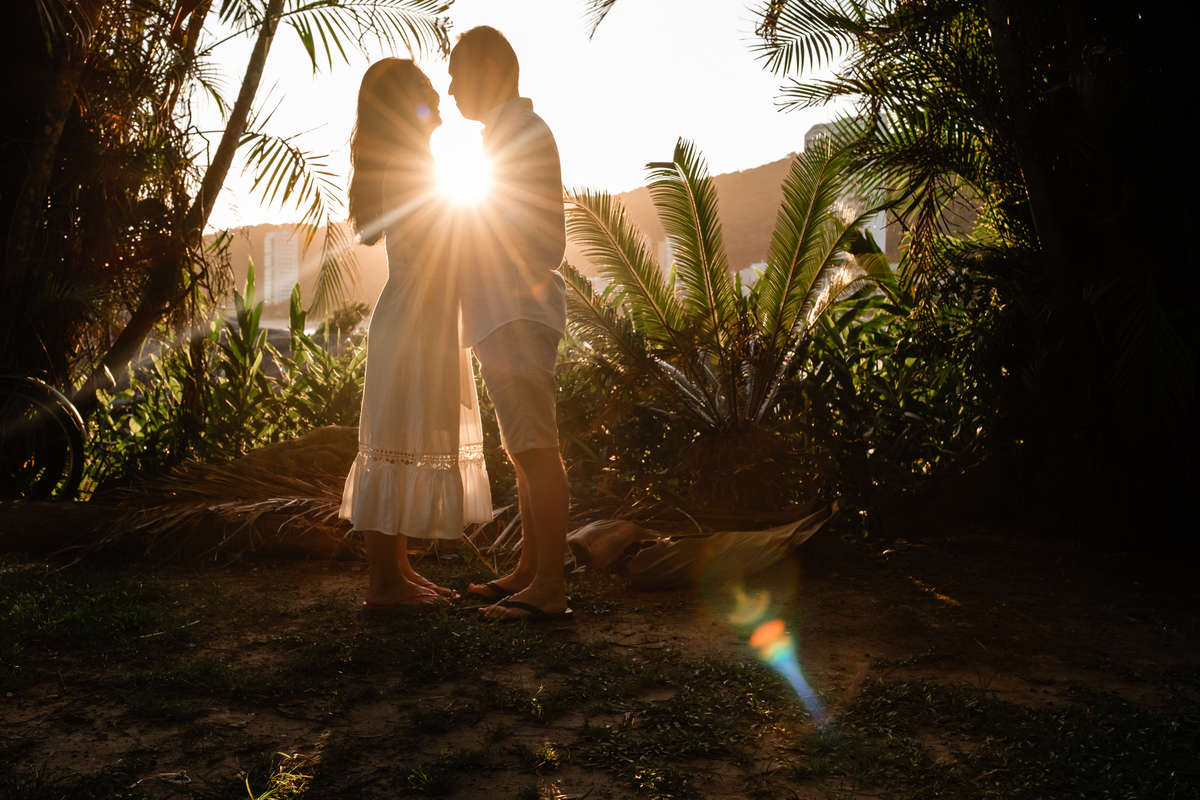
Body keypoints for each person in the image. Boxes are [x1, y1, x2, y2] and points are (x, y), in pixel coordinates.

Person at [339, 58, 492, 612]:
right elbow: (440, 243)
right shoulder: (409, 164)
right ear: (407, 105)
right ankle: (383, 585)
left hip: (419, 316)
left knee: (402, 437)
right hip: (412, 320)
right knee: (396, 441)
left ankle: (397, 569)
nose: (438, 94)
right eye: (426, 88)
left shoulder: (412, 161)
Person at [448, 27, 572, 622]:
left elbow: (547, 241)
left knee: (536, 448)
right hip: (504, 314)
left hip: (518, 312)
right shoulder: (504, 137)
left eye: (455, 75)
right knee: (522, 449)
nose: (448, 90)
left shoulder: (520, 135)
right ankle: (529, 571)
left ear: (489, 71)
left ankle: (550, 588)